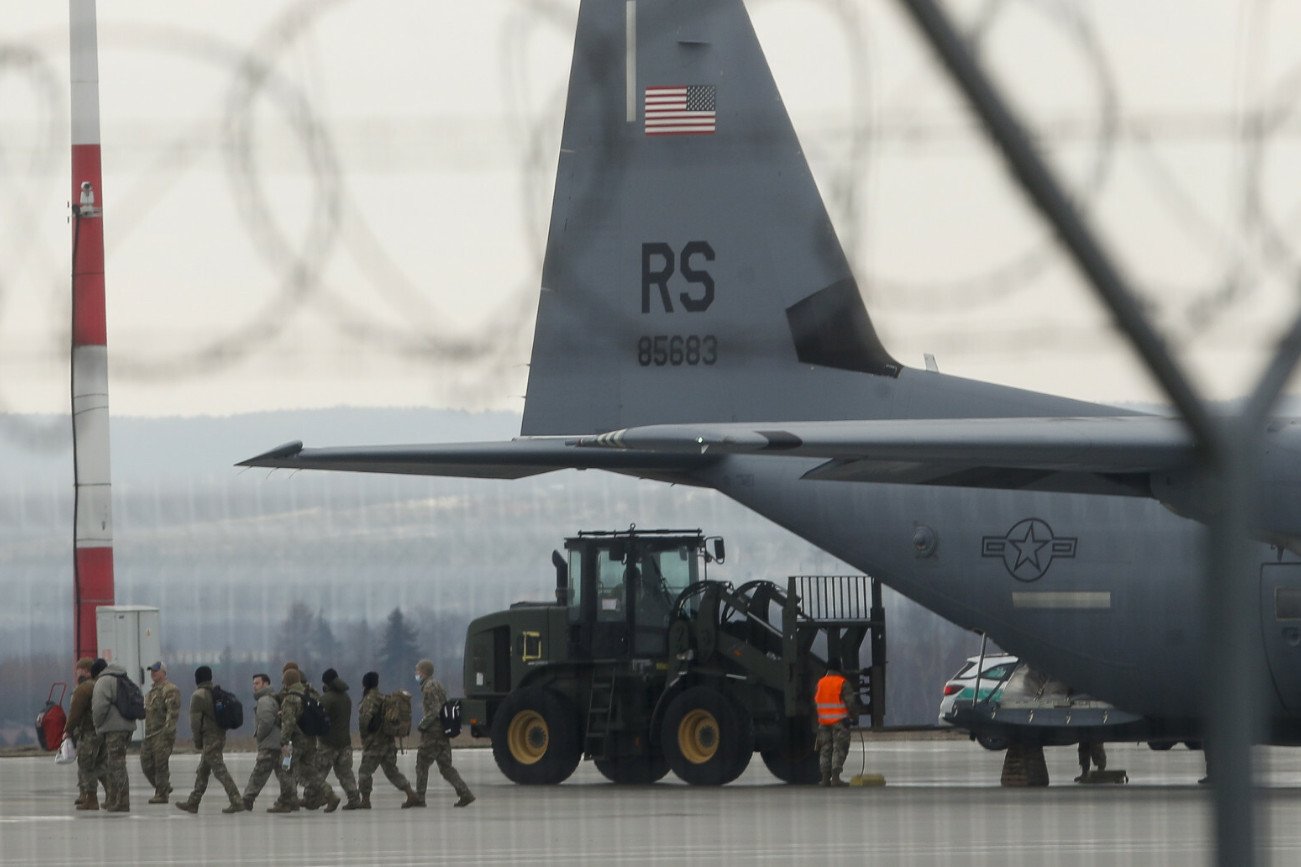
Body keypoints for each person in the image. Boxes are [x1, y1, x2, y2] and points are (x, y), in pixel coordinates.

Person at [175, 665, 245, 814]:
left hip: (209, 738)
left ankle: (237, 800)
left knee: (219, 770)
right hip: (220, 735)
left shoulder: (198, 695)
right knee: (203, 770)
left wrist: (197, 741)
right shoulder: (215, 693)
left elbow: (195, 722)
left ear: (197, 678)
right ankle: (193, 802)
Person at [411, 659, 474, 808]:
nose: (416, 674)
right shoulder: (438, 684)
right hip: (443, 732)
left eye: (418, 671)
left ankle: (420, 798)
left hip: (433, 732)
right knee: (446, 767)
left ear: (424, 672)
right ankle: (465, 793)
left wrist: (422, 725)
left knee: (421, 764)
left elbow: (434, 710)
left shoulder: (428, 687)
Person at [279, 667, 340, 812]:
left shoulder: (290, 698)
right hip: (311, 740)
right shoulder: (309, 695)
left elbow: (288, 724)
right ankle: (329, 794)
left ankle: (287, 802)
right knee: (309, 771)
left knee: (285, 768)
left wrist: (284, 742)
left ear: (287, 681)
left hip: (293, 743)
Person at [356, 670, 420, 808]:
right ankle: (411, 794)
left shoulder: (369, 699)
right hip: (388, 743)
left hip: (374, 744)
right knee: (391, 771)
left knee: (364, 772)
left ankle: (365, 800)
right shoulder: (383, 697)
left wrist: (365, 738)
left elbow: (364, 722)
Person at [243, 672, 295, 812]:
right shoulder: (276, 698)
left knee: (259, 773)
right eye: (253, 683)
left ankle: (247, 800)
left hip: (270, 744)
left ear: (266, 684)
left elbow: (266, 721)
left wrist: (259, 736)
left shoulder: (264, 700)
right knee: (285, 772)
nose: (254, 686)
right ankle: (290, 800)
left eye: (257, 683)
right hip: (284, 743)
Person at [90, 658, 136, 812]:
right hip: (127, 727)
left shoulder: (103, 682)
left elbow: (99, 707)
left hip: (114, 729)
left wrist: (97, 724)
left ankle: (123, 802)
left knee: (117, 765)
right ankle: (114, 800)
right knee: (115, 763)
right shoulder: (121, 677)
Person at [65, 657, 107, 811]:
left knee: (86, 765)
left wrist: (67, 730)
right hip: (102, 731)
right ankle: (113, 795)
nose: (77, 673)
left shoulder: (84, 688)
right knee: (101, 766)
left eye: (79, 670)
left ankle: (91, 799)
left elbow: (75, 713)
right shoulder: (100, 685)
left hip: (88, 732)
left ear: (86, 671)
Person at [318, 668, 362, 809]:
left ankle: (314, 799)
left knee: (318, 773)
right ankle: (354, 799)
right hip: (345, 742)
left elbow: (319, 718)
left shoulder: (326, 699)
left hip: (328, 744)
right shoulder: (346, 697)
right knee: (345, 773)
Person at [140, 661, 181, 804]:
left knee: (160, 765)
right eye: (151, 671)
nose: (153, 674)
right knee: (146, 764)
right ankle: (163, 787)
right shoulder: (151, 692)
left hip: (162, 733)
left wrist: (167, 732)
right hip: (150, 734)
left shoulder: (170, 689)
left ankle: (162, 794)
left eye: (156, 671)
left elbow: (173, 712)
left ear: (163, 672)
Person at [814, 658, 858, 787]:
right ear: (839, 669)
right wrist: (854, 717)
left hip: (823, 722)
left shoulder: (820, 683)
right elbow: (850, 703)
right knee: (839, 748)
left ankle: (825, 779)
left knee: (825, 750)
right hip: (839, 722)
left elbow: (816, 702)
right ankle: (836, 778)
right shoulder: (842, 683)